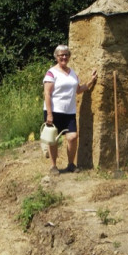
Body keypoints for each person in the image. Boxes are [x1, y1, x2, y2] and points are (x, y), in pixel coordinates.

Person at [43, 44, 98, 175]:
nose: (64, 57)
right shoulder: (51, 73)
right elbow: (47, 94)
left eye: (66, 54)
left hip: (69, 112)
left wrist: (91, 81)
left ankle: (71, 164)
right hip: (54, 111)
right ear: (56, 57)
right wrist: (49, 114)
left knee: (73, 137)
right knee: (53, 139)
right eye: (61, 55)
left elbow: (78, 90)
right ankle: (53, 166)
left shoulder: (72, 73)